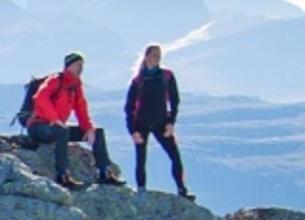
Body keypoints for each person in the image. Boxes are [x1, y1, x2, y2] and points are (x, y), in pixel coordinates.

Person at [15, 52, 115, 184]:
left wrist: (89, 129)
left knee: (98, 132)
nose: (81, 68)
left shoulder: (76, 86)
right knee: (63, 131)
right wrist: (54, 119)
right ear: (68, 66)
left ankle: (105, 172)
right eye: (78, 64)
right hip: (38, 127)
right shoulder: (55, 80)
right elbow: (40, 98)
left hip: (56, 128)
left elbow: (81, 109)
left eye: (82, 65)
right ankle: (63, 175)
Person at [125, 44, 187, 198]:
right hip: (141, 123)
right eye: (154, 54)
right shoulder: (138, 80)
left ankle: (182, 189)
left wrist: (171, 122)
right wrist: (132, 131)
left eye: (159, 55)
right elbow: (128, 108)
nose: (157, 57)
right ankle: (141, 189)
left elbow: (175, 100)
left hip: (161, 123)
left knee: (175, 156)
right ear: (146, 56)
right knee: (141, 158)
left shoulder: (167, 76)